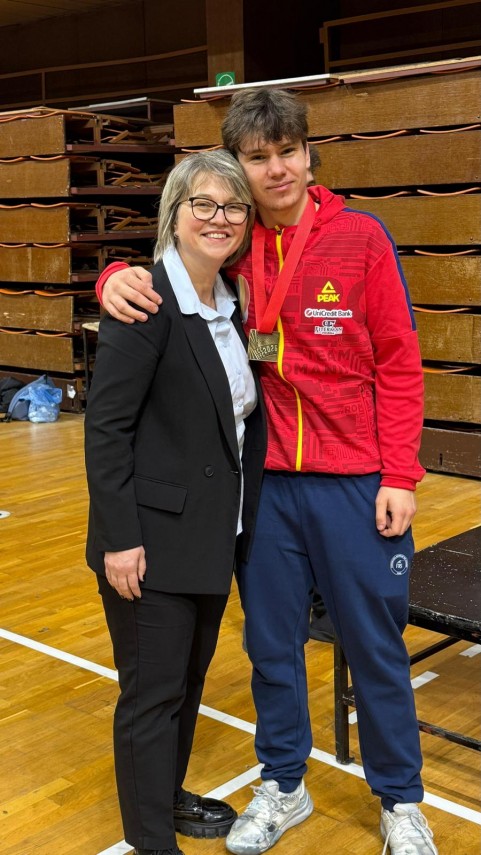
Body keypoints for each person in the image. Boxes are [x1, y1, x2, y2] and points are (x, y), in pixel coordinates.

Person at [94, 88, 438, 855]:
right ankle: (283, 782)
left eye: (288, 151)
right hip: (267, 489)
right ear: (239, 168)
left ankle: (400, 799)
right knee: (271, 647)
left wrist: (399, 473)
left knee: (374, 647)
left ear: (309, 155)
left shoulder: (361, 237)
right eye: (257, 157)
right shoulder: (236, 244)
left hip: (357, 483)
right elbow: (167, 269)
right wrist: (111, 273)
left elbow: (399, 361)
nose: (275, 168)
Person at [85, 149, 266, 855]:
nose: (219, 218)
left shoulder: (232, 301)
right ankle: (150, 838)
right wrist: (119, 539)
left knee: (186, 684)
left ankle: (161, 796)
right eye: (204, 204)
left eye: (233, 206)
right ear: (175, 212)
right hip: (149, 545)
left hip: (211, 535)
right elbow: (106, 429)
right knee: (152, 694)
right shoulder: (146, 301)